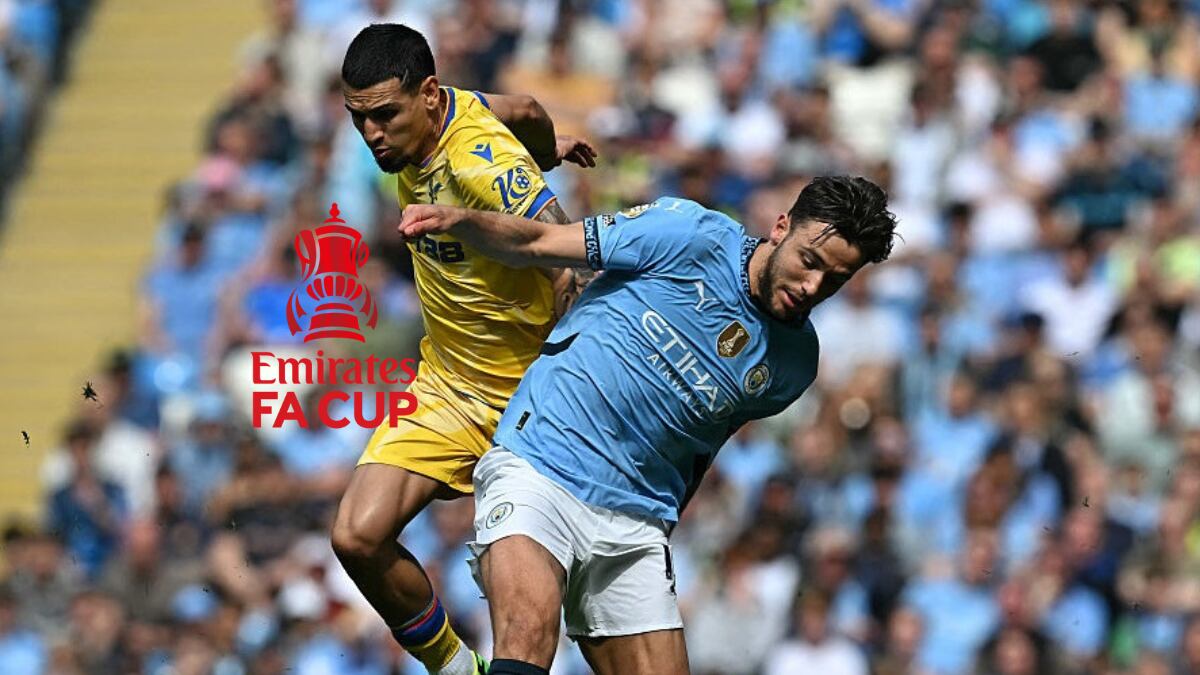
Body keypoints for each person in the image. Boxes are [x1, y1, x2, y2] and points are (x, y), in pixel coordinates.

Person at [396, 175, 899, 675]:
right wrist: (461, 220)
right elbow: (540, 242)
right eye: (809, 261)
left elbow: (702, 448)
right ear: (781, 227)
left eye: (834, 280)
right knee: (526, 638)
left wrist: (663, 526)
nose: (813, 287)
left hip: (635, 519)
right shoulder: (690, 235)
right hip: (541, 465)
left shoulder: (794, 365)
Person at [328, 24, 596, 675]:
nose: (371, 135)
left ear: (427, 94)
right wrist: (545, 151)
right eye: (359, 118)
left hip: (529, 407)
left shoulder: (481, 165)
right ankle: (454, 668)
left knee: (538, 624)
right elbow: (523, 108)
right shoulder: (448, 111)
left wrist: (566, 381)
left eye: (384, 115)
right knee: (356, 536)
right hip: (448, 387)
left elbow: (570, 260)